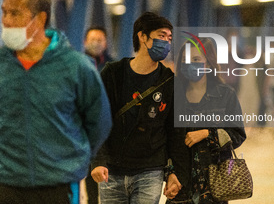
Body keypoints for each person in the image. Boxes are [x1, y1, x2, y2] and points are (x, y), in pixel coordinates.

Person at [0, 0, 112, 204]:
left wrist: (73, 161)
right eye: (4, 13)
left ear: (40, 18)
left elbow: (99, 121)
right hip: (4, 185)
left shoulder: (75, 66)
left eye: (15, 14)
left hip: (57, 185)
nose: (6, 21)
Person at [91, 12, 181, 203]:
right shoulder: (113, 74)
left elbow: (173, 131)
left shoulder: (169, 81)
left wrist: (173, 172)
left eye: (169, 38)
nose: (166, 43)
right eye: (161, 36)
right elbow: (98, 120)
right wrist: (98, 162)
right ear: (142, 36)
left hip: (150, 171)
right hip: (112, 171)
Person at [168, 38, 246, 204]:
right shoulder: (173, 95)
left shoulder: (226, 95)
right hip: (181, 186)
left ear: (209, 63)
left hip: (214, 187)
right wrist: (169, 173)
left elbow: (238, 135)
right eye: (185, 60)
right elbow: (164, 139)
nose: (190, 64)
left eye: (196, 60)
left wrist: (207, 134)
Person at [83, 26, 113, 204]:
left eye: (99, 40)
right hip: (83, 126)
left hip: (106, 125)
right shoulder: (77, 63)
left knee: (105, 167)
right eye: (92, 39)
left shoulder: (112, 66)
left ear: (106, 43)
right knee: (88, 170)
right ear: (85, 42)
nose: (96, 43)